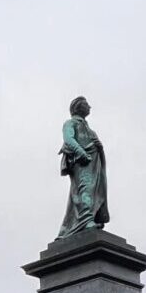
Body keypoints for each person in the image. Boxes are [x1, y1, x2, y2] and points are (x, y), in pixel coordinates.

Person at [56, 96, 110, 239]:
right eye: (86, 104)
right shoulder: (70, 123)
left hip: (94, 163)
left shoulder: (90, 129)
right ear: (77, 107)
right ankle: (86, 220)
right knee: (85, 189)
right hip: (82, 161)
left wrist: (99, 147)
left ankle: (88, 218)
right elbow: (68, 139)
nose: (89, 107)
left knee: (94, 191)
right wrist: (81, 152)